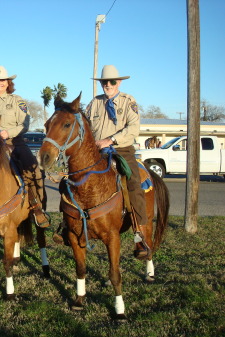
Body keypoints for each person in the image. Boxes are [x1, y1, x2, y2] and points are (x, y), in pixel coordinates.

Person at [0, 65, 49, 227]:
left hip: (13, 142)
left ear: (8, 83)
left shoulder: (17, 101)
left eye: (2, 80)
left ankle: (37, 208)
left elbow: (25, 123)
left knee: (34, 169)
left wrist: (8, 133)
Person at [85, 65, 147, 256]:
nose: (108, 85)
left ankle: (139, 232)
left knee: (133, 183)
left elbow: (133, 128)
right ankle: (66, 225)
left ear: (119, 82)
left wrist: (111, 140)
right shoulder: (94, 103)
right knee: (72, 179)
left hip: (122, 149)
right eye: (105, 82)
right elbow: (85, 125)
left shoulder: (129, 101)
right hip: (96, 151)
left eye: (112, 81)